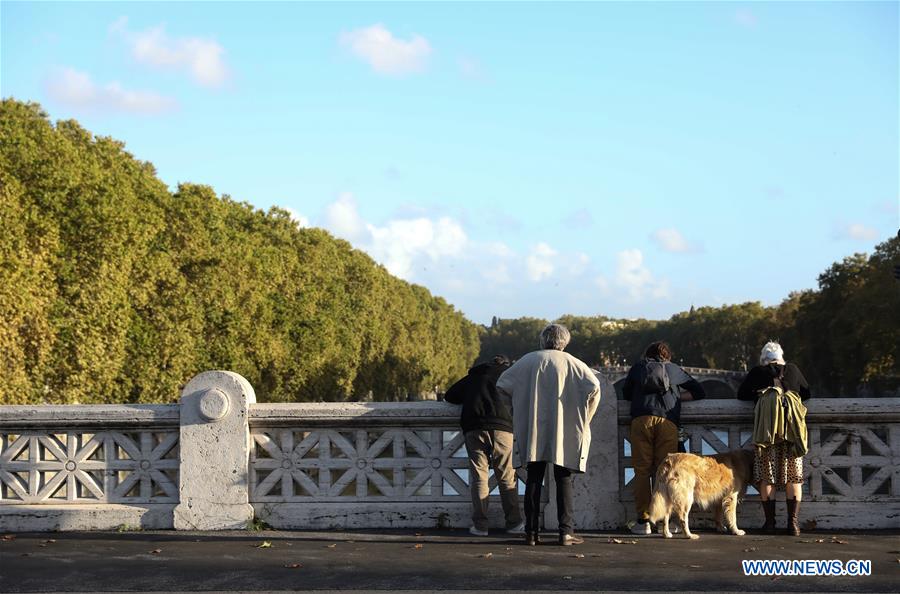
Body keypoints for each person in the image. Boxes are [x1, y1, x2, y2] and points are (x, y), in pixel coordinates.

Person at [495, 324, 601, 546]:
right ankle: (565, 532)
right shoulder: (574, 364)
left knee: (534, 478)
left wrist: (516, 412)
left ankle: (532, 533)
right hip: (565, 429)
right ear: (565, 342)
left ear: (542, 340)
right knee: (564, 479)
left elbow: (502, 386)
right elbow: (594, 388)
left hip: (533, 427)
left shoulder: (527, 361)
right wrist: (584, 419)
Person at [622, 341, 706, 535]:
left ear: (648, 354)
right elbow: (700, 392)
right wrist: (676, 397)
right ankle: (664, 522)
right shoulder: (674, 369)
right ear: (667, 355)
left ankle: (643, 522)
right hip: (668, 421)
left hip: (641, 420)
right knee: (666, 473)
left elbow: (626, 394)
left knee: (642, 471)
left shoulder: (638, 368)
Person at [443, 355, 524, 536]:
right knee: (506, 476)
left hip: (475, 427)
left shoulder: (474, 376)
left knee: (479, 476)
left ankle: (480, 525)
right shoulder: (509, 375)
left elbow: (450, 395)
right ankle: (514, 523)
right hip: (503, 428)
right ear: (505, 364)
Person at [738, 342, 811, 536]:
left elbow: (741, 394)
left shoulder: (758, 373)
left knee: (766, 476)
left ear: (764, 358)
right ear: (781, 356)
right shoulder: (793, 369)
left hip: (767, 434)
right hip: (791, 433)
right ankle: (793, 525)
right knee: (793, 476)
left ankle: (769, 524)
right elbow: (807, 393)